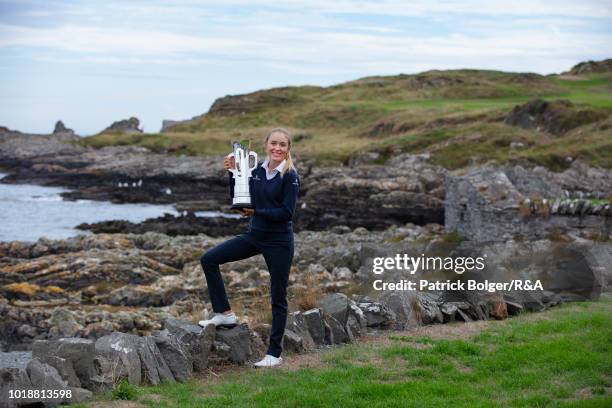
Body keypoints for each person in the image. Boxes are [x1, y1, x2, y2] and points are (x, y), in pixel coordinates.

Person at [198, 128, 300, 368]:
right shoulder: (256, 171)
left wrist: (256, 212)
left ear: (288, 149)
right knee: (209, 259)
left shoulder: (290, 175)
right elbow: (238, 198)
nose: (277, 148)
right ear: (266, 145)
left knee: (278, 297)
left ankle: (274, 354)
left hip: (279, 241)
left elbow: (286, 213)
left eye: (282, 145)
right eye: (273, 143)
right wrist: (233, 172)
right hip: (254, 235)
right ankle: (224, 314)